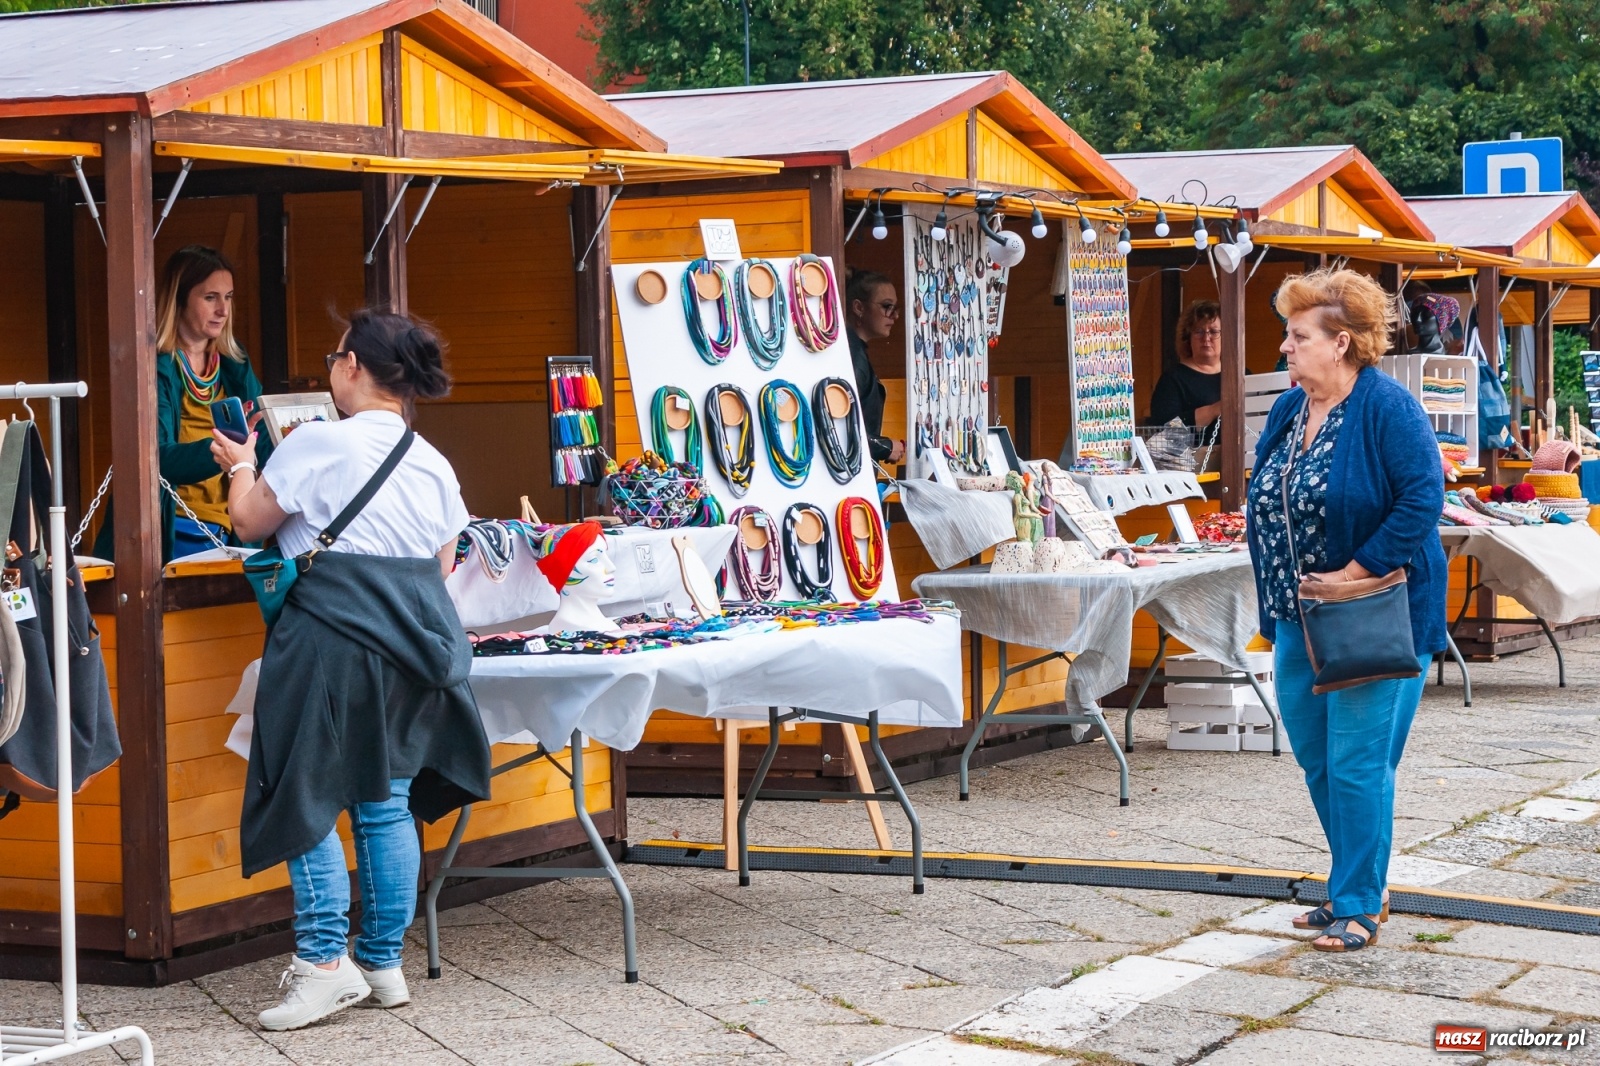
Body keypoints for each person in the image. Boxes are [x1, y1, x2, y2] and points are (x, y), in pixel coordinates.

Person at [210, 310, 489, 1030]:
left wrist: (241, 464)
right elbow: (443, 563)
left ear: (356, 366)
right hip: (412, 649)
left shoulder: (318, 444)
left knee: (304, 793)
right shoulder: (432, 461)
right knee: (386, 799)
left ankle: (324, 964)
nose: (330, 368)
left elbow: (248, 523)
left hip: (326, 641)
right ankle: (382, 961)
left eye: (335, 356)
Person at [1245, 268, 1446, 953]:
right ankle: (1361, 880)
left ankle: (1357, 903)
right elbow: (1267, 500)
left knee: (1359, 763)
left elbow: (1422, 499)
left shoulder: (1387, 408)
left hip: (1374, 614)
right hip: (1298, 615)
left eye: (1298, 337)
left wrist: (1352, 574)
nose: (1285, 348)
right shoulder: (1286, 410)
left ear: (1341, 343)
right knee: (1317, 758)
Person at [155, 246, 273, 560]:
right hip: (175, 528)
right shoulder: (156, 366)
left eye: (229, 297)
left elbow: (262, 442)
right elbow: (156, 459)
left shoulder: (235, 363)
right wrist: (224, 451)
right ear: (179, 300)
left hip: (233, 531)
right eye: (210, 298)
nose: (223, 310)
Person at [844, 268, 906, 465]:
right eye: (887, 306)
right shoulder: (852, 357)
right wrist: (884, 446)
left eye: (895, 308)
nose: (894, 316)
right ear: (858, 307)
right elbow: (838, 425)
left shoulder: (855, 352)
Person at [1149, 300, 1223, 429]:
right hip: (1195, 449)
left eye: (1214, 332)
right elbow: (1163, 428)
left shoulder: (1242, 375)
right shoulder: (1173, 380)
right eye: (1199, 331)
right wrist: (1212, 411)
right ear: (1188, 337)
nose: (1206, 338)